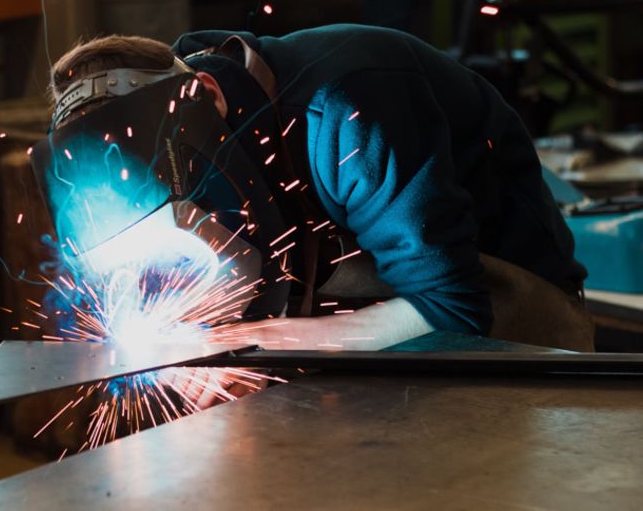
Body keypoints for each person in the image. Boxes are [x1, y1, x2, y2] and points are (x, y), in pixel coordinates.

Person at [46, 25, 595, 353]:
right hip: (371, 309)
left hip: (507, 312)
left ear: (207, 93)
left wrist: (284, 340)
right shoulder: (183, 132)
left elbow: (455, 311)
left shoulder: (348, 114)